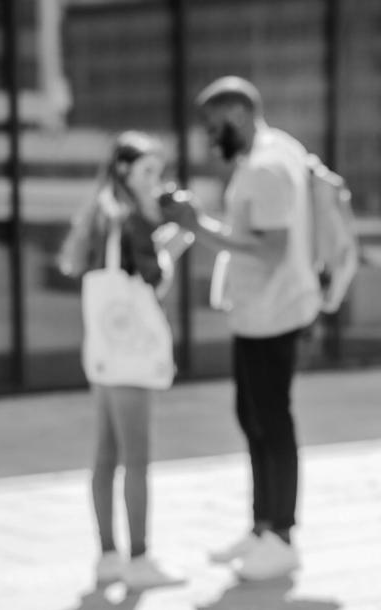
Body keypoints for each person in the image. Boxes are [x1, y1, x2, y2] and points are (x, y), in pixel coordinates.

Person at [163, 76, 313, 582]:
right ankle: (262, 526)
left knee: (270, 421)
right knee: (254, 417)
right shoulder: (275, 152)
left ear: (241, 117)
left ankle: (281, 536)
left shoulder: (267, 167)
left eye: (214, 126)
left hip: (273, 314)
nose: (209, 138)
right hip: (261, 311)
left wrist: (198, 226)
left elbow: (270, 249)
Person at [57, 131, 188, 589]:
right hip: (128, 357)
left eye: (159, 172)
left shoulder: (96, 216)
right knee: (136, 458)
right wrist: (176, 241)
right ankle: (139, 559)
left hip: (102, 354)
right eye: (148, 171)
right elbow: (154, 286)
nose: (156, 181)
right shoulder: (132, 222)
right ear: (124, 170)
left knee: (105, 455)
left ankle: (108, 556)